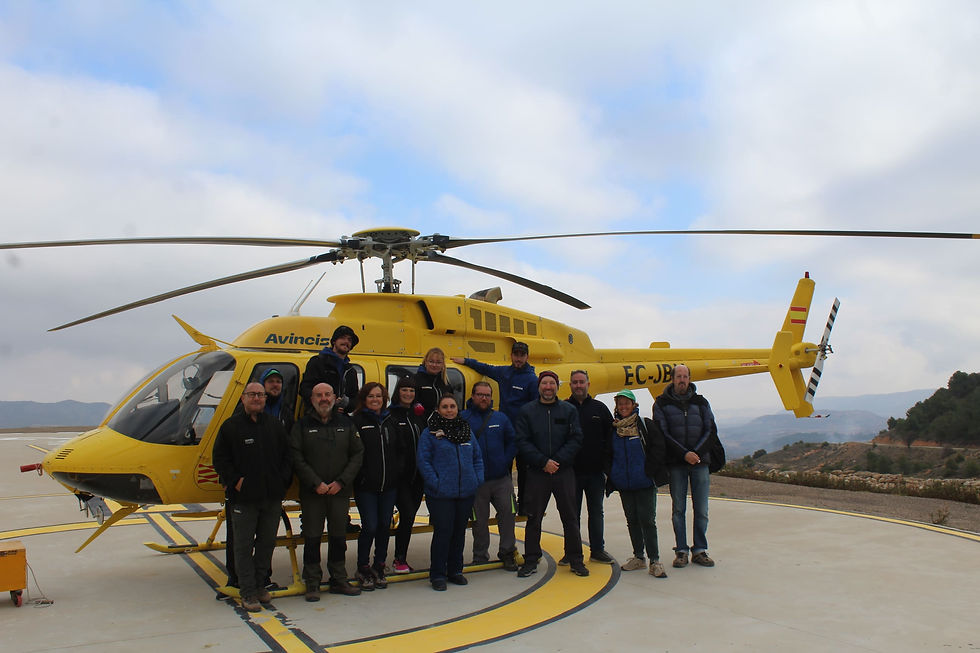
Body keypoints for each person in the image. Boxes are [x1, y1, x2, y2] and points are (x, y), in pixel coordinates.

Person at [212, 382, 292, 612]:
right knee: (243, 546)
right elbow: (220, 459)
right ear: (243, 398)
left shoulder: (274, 426)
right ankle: (247, 591)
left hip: (271, 498)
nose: (257, 398)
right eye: (252, 395)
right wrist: (236, 481)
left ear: (266, 399)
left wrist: (282, 481)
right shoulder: (231, 427)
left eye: (260, 395)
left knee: (267, 544)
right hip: (244, 500)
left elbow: (288, 456)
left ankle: (259, 586)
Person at [289, 382, 364, 601]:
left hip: (339, 492)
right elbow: (296, 456)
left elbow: (357, 454)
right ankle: (312, 581)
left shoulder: (346, 424)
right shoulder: (301, 426)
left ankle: (338, 578)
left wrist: (341, 482)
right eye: (319, 395)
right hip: (313, 493)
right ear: (312, 399)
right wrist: (315, 482)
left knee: (338, 536)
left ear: (334, 398)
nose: (324, 398)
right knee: (312, 537)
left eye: (327, 394)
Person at [514, 370, 588, 578]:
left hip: (563, 472)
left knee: (570, 518)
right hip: (537, 473)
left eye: (552, 383)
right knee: (533, 518)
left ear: (557, 386)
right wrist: (543, 462)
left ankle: (575, 559)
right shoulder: (527, 411)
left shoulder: (568, 410)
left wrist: (557, 462)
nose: (548, 387)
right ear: (539, 387)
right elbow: (522, 441)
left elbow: (576, 438)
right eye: (545, 383)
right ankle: (531, 559)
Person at [453, 342, 538, 514]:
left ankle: (525, 504)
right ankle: (506, 501)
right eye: (516, 354)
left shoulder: (531, 379)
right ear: (512, 355)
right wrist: (466, 361)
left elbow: (535, 407)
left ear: (527, 357)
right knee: (504, 465)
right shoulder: (504, 372)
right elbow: (486, 368)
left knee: (524, 468)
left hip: (522, 431)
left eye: (522, 355)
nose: (518, 358)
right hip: (504, 430)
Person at [653, 364, 718, 568]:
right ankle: (681, 550)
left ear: (690, 379)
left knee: (702, 509)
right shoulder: (661, 404)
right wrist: (684, 454)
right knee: (678, 509)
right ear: (672, 379)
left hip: (700, 462)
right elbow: (663, 433)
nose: (682, 380)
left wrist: (696, 454)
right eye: (678, 376)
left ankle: (700, 550)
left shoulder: (701, 402)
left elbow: (711, 430)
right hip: (676, 464)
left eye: (685, 376)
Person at [417, 394, 484, 591]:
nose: (449, 410)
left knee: (459, 533)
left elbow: (477, 458)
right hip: (441, 494)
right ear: (438, 410)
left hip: (465, 492)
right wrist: (436, 482)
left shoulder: (466, 431)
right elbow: (424, 461)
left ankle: (455, 570)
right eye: (445, 407)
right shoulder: (429, 433)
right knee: (443, 532)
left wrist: (477, 479)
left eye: (452, 406)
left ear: (457, 409)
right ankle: (437, 573)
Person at [608, 389, 668, 578]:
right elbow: (609, 454)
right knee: (632, 520)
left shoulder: (644, 425)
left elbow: (658, 448)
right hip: (625, 484)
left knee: (648, 521)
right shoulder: (614, 429)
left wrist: (649, 471)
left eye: (627, 403)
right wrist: (613, 474)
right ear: (617, 406)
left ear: (634, 405)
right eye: (620, 403)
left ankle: (655, 560)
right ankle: (638, 557)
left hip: (644, 482)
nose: (624, 406)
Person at [461, 382, 518, 571]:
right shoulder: (463, 418)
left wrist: (505, 460)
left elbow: (512, 441)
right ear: (473, 396)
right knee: (479, 521)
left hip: (501, 479)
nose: (484, 398)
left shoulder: (500, 418)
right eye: (480, 394)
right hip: (477, 482)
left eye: (487, 395)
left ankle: (507, 552)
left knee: (508, 516)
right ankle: (480, 556)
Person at [351, 382, 402, 590]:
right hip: (367, 486)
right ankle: (362, 566)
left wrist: (396, 473)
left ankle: (379, 564)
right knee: (370, 525)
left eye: (378, 396)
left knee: (384, 525)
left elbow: (400, 450)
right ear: (364, 398)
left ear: (384, 399)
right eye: (371, 396)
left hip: (389, 485)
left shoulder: (391, 421)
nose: (375, 400)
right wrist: (360, 477)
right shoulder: (357, 421)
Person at [566, 370, 614, 565]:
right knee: (572, 515)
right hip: (571, 473)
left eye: (582, 382)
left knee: (596, 512)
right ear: (570, 385)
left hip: (595, 472)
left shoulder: (600, 408)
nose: (578, 385)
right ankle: (571, 552)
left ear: (588, 384)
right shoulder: (564, 408)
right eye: (575, 382)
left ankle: (597, 550)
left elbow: (611, 438)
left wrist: (606, 468)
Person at [389, 376, 426, 574]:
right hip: (399, 478)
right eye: (405, 390)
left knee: (409, 518)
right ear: (398, 392)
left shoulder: (417, 416)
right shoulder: (391, 415)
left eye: (411, 391)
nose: (408, 394)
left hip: (417, 476)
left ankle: (400, 556)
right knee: (408, 513)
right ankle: (397, 558)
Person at [300, 325, 361, 413]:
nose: (346, 341)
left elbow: (355, 399)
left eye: (349, 340)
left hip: (341, 420)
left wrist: (345, 404)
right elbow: (305, 390)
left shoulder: (351, 371)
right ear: (334, 341)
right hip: (317, 417)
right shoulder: (317, 362)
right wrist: (328, 403)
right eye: (342, 338)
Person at [415, 347, 455, 423]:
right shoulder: (416, 380)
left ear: (442, 364)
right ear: (425, 362)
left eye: (438, 362)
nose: (434, 365)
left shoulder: (446, 384)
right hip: (423, 424)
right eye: (431, 361)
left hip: (444, 424)